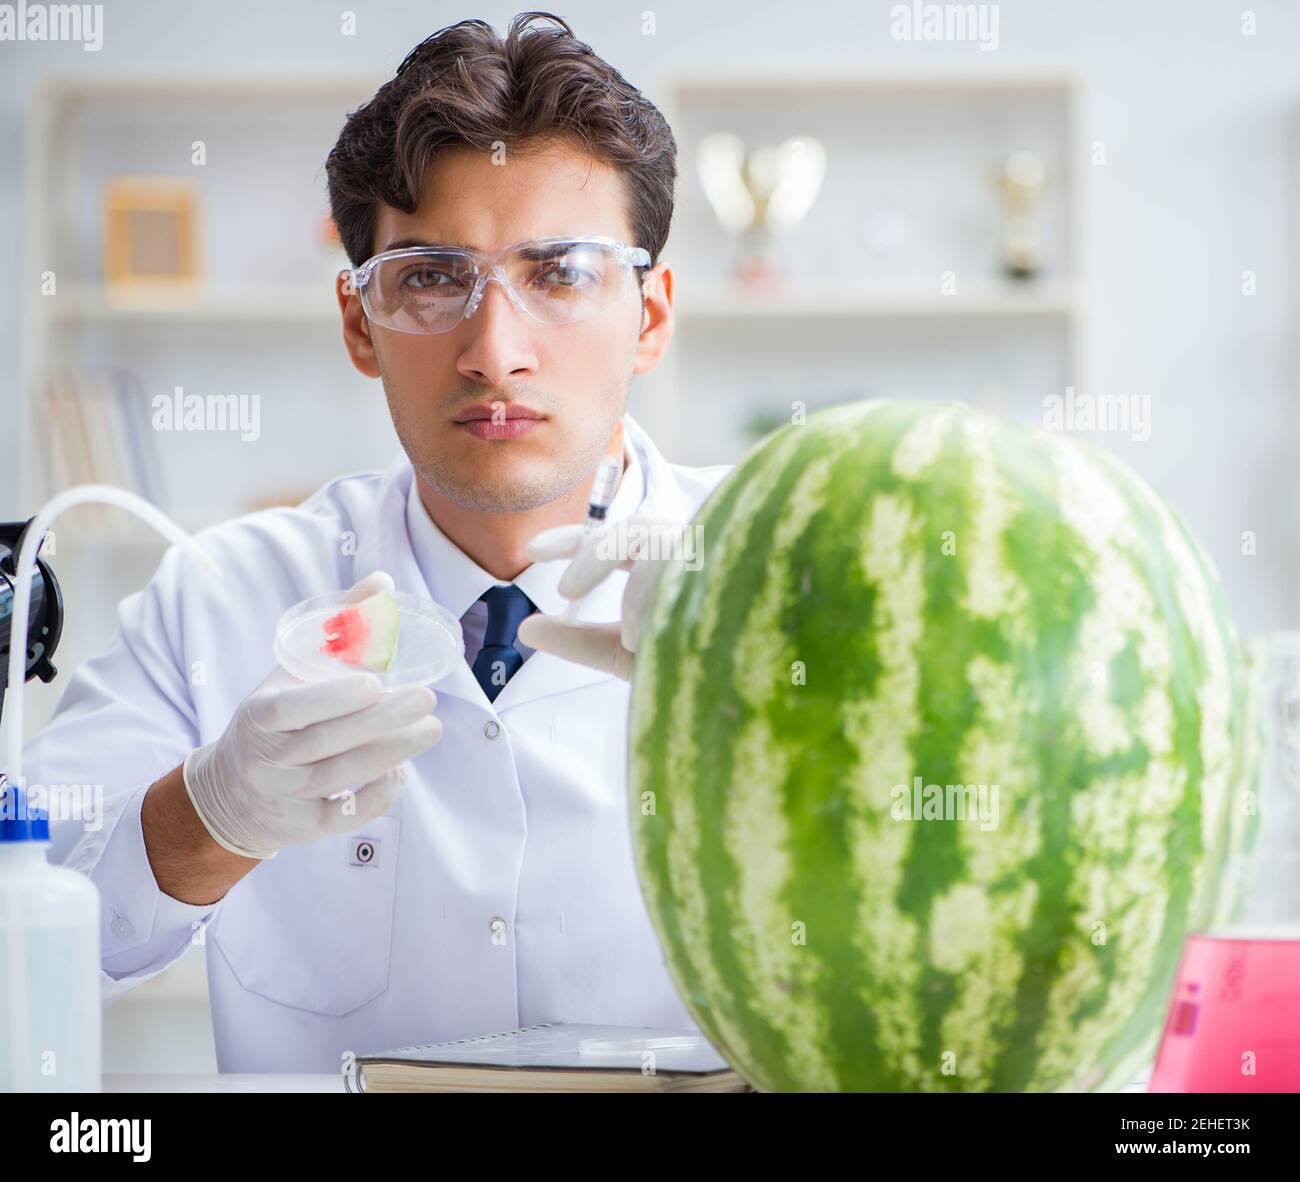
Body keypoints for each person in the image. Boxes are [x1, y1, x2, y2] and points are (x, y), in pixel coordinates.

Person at [23, 12, 732, 1073]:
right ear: (359, 321)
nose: (494, 353)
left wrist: (771, 685)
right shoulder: (219, 599)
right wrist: (208, 816)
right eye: (433, 278)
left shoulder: (779, 567)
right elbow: (25, 949)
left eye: (561, 273)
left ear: (650, 314)